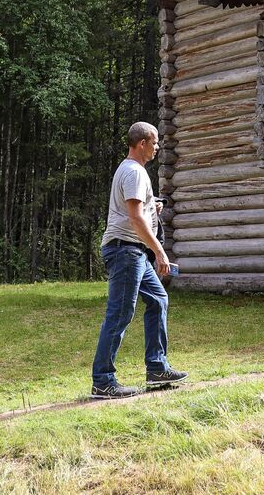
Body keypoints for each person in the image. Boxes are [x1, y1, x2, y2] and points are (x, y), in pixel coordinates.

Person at [90, 121, 187, 398]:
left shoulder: (135, 172)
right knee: (120, 314)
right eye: (154, 142)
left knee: (158, 299)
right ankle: (103, 381)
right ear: (142, 143)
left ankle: (157, 368)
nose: (157, 147)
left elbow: (137, 210)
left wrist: (151, 207)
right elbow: (133, 218)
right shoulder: (134, 172)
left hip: (133, 252)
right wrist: (159, 251)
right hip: (125, 251)